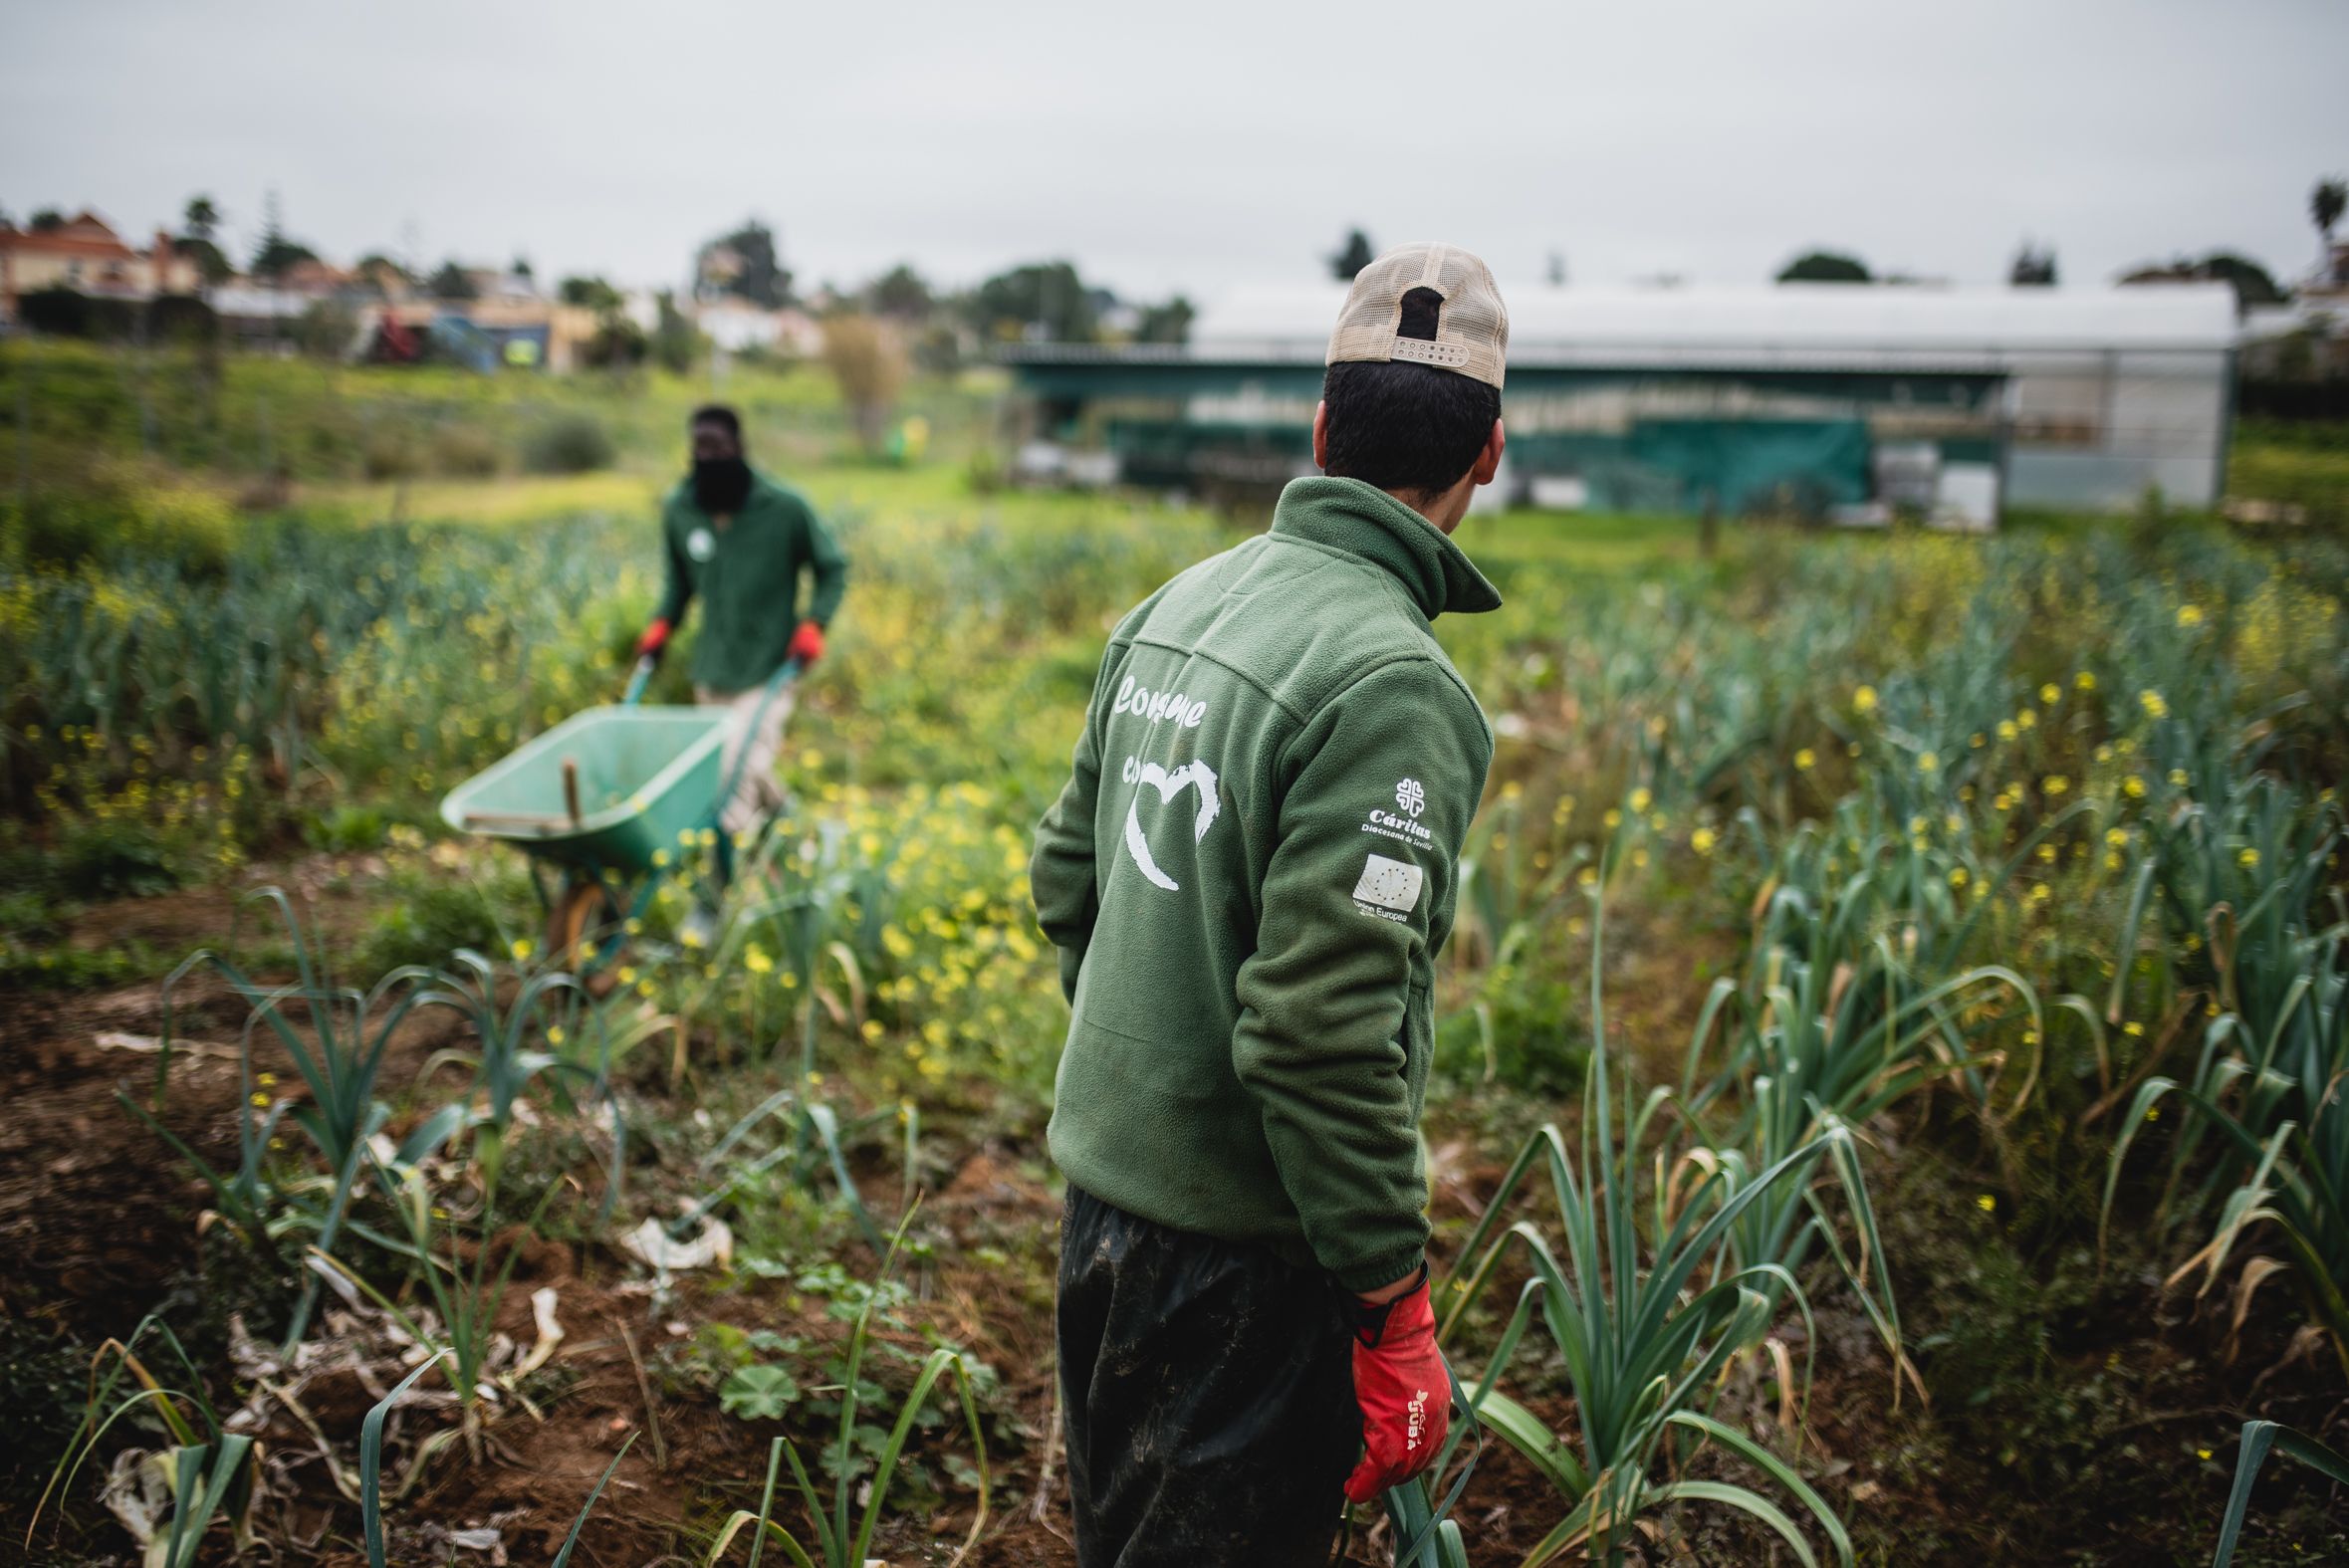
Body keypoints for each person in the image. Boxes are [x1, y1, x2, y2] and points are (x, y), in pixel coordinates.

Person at [1030, 243, 1508, 1564]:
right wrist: (1392, 1308)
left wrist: (1147, 1086)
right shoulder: (1390, 681)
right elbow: (1315, 1033)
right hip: (1244, 1265)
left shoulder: (1176, 607)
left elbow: (1065, 881)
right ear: (1489, 453)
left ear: (1318, 425)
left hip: (1104, 1223)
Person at [634, 404, 847, 837]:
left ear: (738, 447)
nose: (707, 457)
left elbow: (833, 567)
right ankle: (794, 835)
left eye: (717, 446)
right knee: (739, 765)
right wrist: (662, 625)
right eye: (699, 447)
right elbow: (679, 585)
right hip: (712, 670)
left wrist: (815, 623)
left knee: (732, 772)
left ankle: (718, 890)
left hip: (769, 667)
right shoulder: (680, 509)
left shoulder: (784, 509)